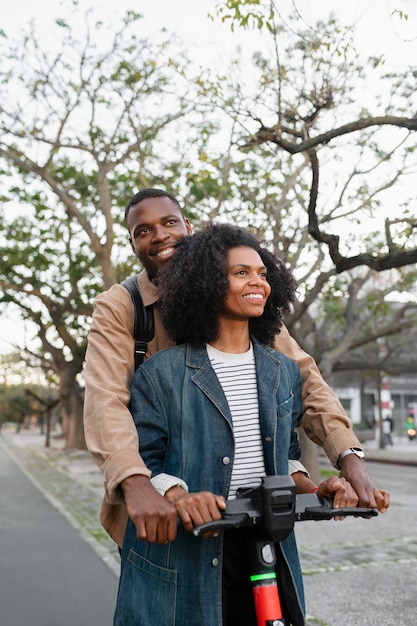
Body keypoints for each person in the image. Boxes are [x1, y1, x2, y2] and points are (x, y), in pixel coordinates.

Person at [83, 188, 389, 548]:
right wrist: (137, 485)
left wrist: (348, 457)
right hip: (162, 504)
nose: (160, 235)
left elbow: (303, 378)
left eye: (169, 222)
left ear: (188, 225)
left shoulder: (237, 300)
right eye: (143, 230)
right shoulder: (122, 307)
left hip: (251, 513)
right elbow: (105, 401)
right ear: (133, 244)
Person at [114, 223, 359, 626]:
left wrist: (318, 488)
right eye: (241, 273)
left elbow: (286, 457)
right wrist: (179, 496)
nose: (257, 283)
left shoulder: (282, 370)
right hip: (189, 555)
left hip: (265, 545)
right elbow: (146, 461)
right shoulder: (161, 373)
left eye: (262, 274)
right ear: (208, 283)